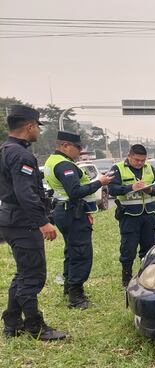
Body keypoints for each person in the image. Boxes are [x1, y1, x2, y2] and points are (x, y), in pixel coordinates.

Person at [0, 105, 67, 340]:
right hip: (24, 223)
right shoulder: (21, 154)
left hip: (10, 221)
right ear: (29, 126)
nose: (38, 131)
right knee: (32, 276)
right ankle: (35, 326)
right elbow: (25, 193)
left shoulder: (5, 149)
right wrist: (42, 222)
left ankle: (12, 323)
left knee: (22, 273)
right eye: (37, 126)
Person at [44, 131, 113, 308]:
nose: (80, 152)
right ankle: (76, 296)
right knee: (81, 252)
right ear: (65, 146)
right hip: (73, 213)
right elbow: (74, 192)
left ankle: (69, 288)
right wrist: (100, 182)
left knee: (72, 250)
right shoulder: (64, 165)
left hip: (64, 211)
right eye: (78, 148)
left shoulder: (52, 161)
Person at [108, 144, 155, 287]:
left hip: (148, 214)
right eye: (137, 160)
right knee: (128, 249)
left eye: (143, 160)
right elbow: (112, 189)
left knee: (150, 247)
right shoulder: (118, 168)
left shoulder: (149, 168)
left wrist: (151, 189)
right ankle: (126, 279)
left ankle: (147, 276)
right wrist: (130, 188)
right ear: (129, 156)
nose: (140, 163)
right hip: (129, 216)